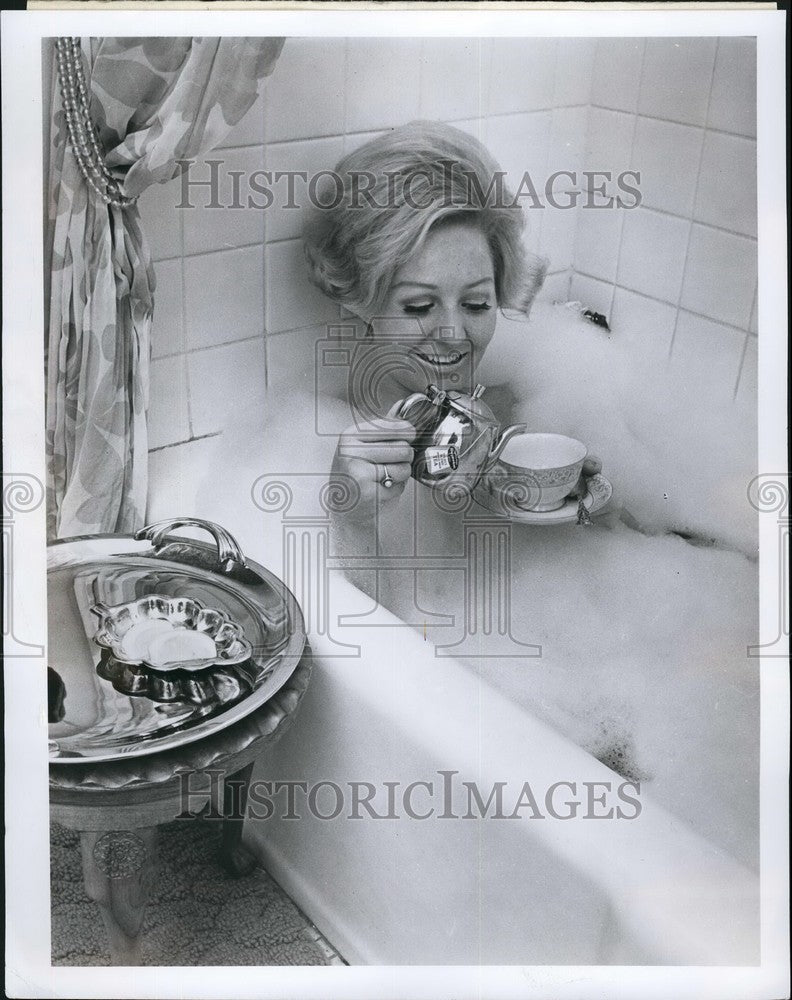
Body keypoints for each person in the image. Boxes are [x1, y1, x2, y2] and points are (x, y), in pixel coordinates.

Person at [302, 120, 601, 582]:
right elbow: (362, 623)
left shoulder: (517, 415)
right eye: (419, 306)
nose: (454, 333)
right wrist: (353, 518)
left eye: (477, 304)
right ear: (362, 301)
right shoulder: (326, 448)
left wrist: (579, 506)